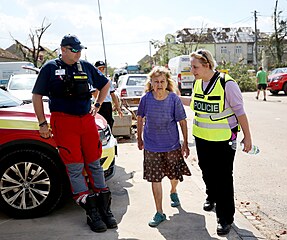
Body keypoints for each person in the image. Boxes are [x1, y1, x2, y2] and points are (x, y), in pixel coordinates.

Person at [32, 34, 117, 233]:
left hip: (86, 121)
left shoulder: (85, 66)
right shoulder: (50, 68)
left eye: (80, 49)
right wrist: (42, 123)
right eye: (74, 49)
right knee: (75, 166)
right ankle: (91, 211)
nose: (78, 52)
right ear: (63, 49)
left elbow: (105, 84)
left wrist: (97, 104)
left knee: (94, 163)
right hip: (63, 122)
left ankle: (104, 207)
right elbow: (37, 96)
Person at [179, 49, 253, 236]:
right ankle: (211, 196)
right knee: (206, 171)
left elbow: (240, 112)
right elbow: (194, 103)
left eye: (195, 67)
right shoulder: (198, 83)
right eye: (191, 67)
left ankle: (225, 218)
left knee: (224, 178)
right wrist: (175, 98)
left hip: (225, 139)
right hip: (202, 137)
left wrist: (248, 137)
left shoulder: (227, 84)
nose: (192, 70)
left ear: (207, 65)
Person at [136, 66, 191, 227]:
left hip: (171, 144)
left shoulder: (173, 99)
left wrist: (185, 143)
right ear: (151, 83)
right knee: (155, 178)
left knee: (174, 176)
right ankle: (159, 212)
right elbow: (139, 118)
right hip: (152, 145)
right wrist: (139, 138)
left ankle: (173, 191)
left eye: (162, 81)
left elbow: (182, 121)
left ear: (167, 82)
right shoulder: (146, 99)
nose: (159, 85)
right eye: (156, 82)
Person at [93, 60, 123, 130]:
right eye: (99, 68)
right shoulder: (93, 80)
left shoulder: (107, 80)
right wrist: (97, 104)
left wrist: (118, 107)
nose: (101, 70)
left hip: (107, 104)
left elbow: (113, 94)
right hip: (98, 104)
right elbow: (94, 93)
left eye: (103, 68)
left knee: (109, 122)